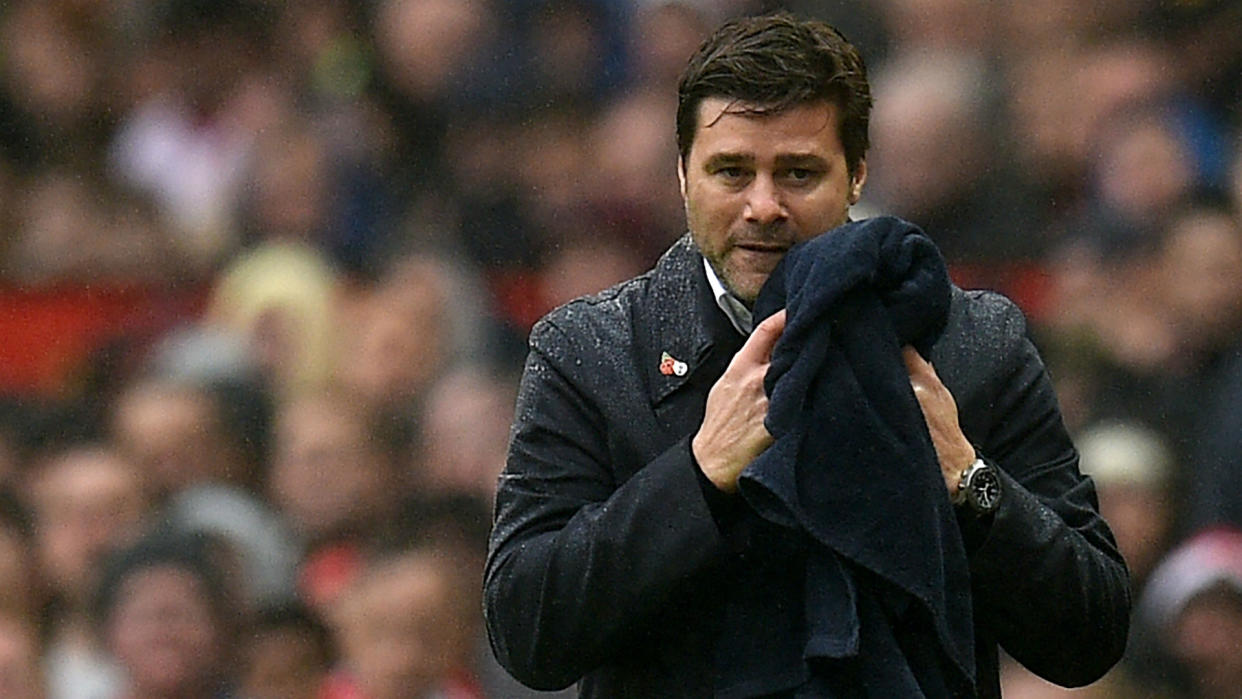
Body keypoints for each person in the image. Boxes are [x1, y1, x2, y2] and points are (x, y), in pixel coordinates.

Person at [484, 12, 1130, 698]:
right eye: (731, 171)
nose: (763, 205)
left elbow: (1089, 635)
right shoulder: (590, 351)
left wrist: (970, 481)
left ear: (856, 175)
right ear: (682, 175)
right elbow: (528, 634)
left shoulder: (974, 344)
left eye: (798, 172)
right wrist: (696, 477)